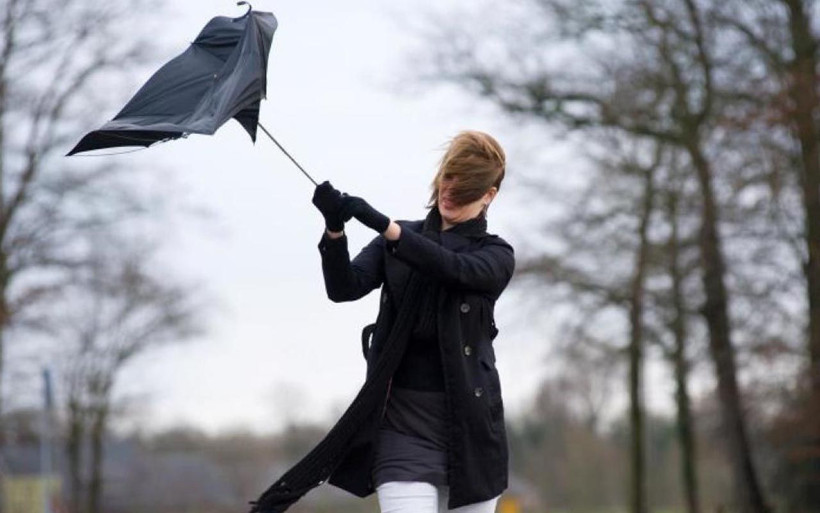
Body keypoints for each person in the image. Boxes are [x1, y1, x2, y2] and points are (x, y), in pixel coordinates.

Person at [310, 130, 515, 513]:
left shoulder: (495, 255)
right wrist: (334, 230)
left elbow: (453, 269)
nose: (451, 191)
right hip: (402, 427)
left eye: (466, 186)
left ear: (489, 195)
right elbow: (344, 288)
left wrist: (385, 226)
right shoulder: (400, 240)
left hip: (470, 433)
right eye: (448, 178)